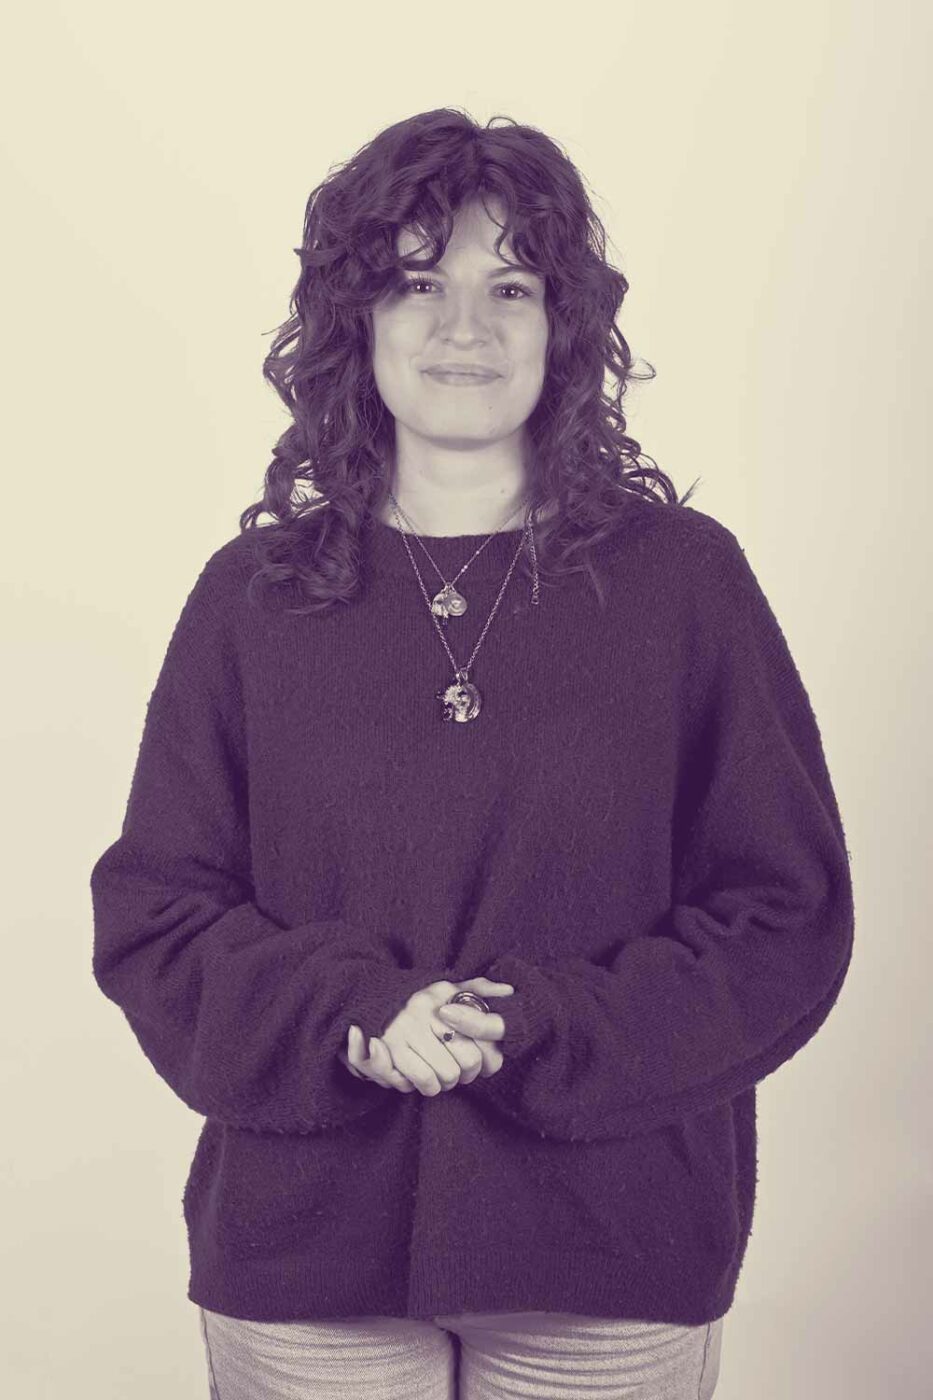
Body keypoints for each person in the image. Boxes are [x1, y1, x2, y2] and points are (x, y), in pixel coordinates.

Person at [90, 108, 854, 1400]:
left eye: (510, 287)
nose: (465, 327)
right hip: (306, 1258)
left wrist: (540, 1029)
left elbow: (785, 914)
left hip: (609, 1246)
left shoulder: (682, 585)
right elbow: (157, 915)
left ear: (564, 324)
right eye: (415, 283)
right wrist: (348, 1013)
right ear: (355, 319)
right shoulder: (251, 600)